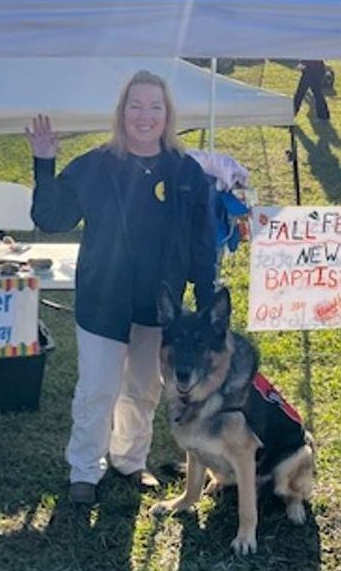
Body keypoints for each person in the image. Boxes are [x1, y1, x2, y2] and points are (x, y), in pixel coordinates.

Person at [25, 70, 217, 505]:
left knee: (144, 389)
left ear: (167, 115)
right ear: (121, 113)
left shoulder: (186, 172)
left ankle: (130, 460)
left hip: (159, 307)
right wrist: (44, 163)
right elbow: (51, 219)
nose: (144, 116)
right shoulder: (96, 165)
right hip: (103, 301)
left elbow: (203, 245)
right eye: (135, 106)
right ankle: (84, 470)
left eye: (155, 106)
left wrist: (205, 306)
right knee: (98, 388)